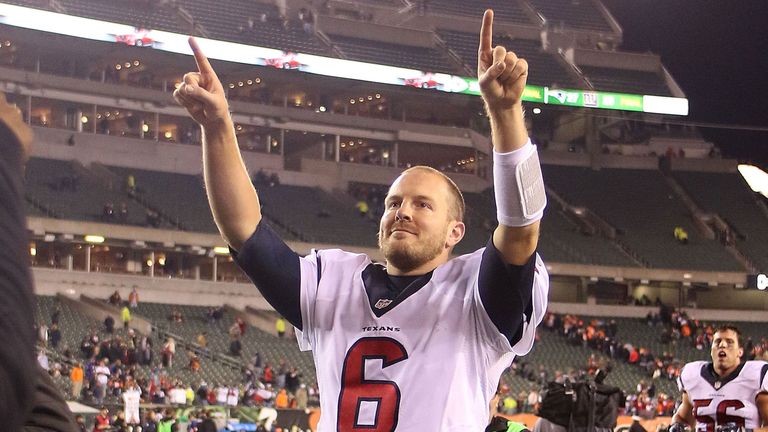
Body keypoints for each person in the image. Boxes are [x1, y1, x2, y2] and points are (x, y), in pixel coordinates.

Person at [173, 9, 548, 430]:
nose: (402, 211)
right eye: (393, 203)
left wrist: (505, 113)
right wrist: (218, 126)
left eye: (423, 205)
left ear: (454, 232)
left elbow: (521, 229)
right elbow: (246, 233)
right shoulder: (333, 282)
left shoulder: (474, 297)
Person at [670, 324, 768, 432]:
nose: (722, 345)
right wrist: (677, 425)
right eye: (717, 342)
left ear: (740, 351)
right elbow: (683, 418)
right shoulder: (693, 374)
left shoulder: (756, 375)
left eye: (729, 342)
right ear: (711, 350)